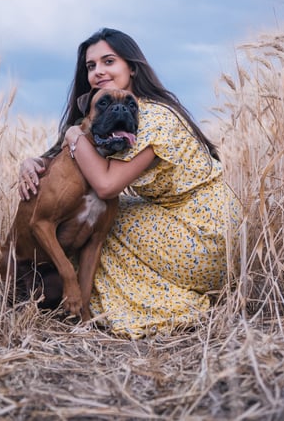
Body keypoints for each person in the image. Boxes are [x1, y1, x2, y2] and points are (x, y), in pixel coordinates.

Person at [18, 27, 241, 339]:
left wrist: (73, 135)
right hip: (207, 228)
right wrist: (34, 161)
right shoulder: (130, 113)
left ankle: (108, 304)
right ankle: (131, 297)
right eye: (91, 66)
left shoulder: (154, 118)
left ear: (132, 66)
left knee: (102, 213)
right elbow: (69, 162)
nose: (98, 71)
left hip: (203, 233)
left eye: (109, 61)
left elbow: (106, 185)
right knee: (94, 210)